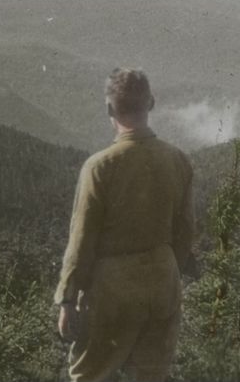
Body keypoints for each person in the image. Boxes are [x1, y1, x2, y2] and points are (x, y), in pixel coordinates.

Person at [54, 68, 195, 382]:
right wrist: (170, 271)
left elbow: (81, 241)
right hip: (163, 280)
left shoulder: (100, 166)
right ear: (152, 103)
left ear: (108, 109)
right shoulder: (178, 159)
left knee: (89, 375)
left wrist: (66, 299)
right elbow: (186, 231)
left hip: (113, 289)